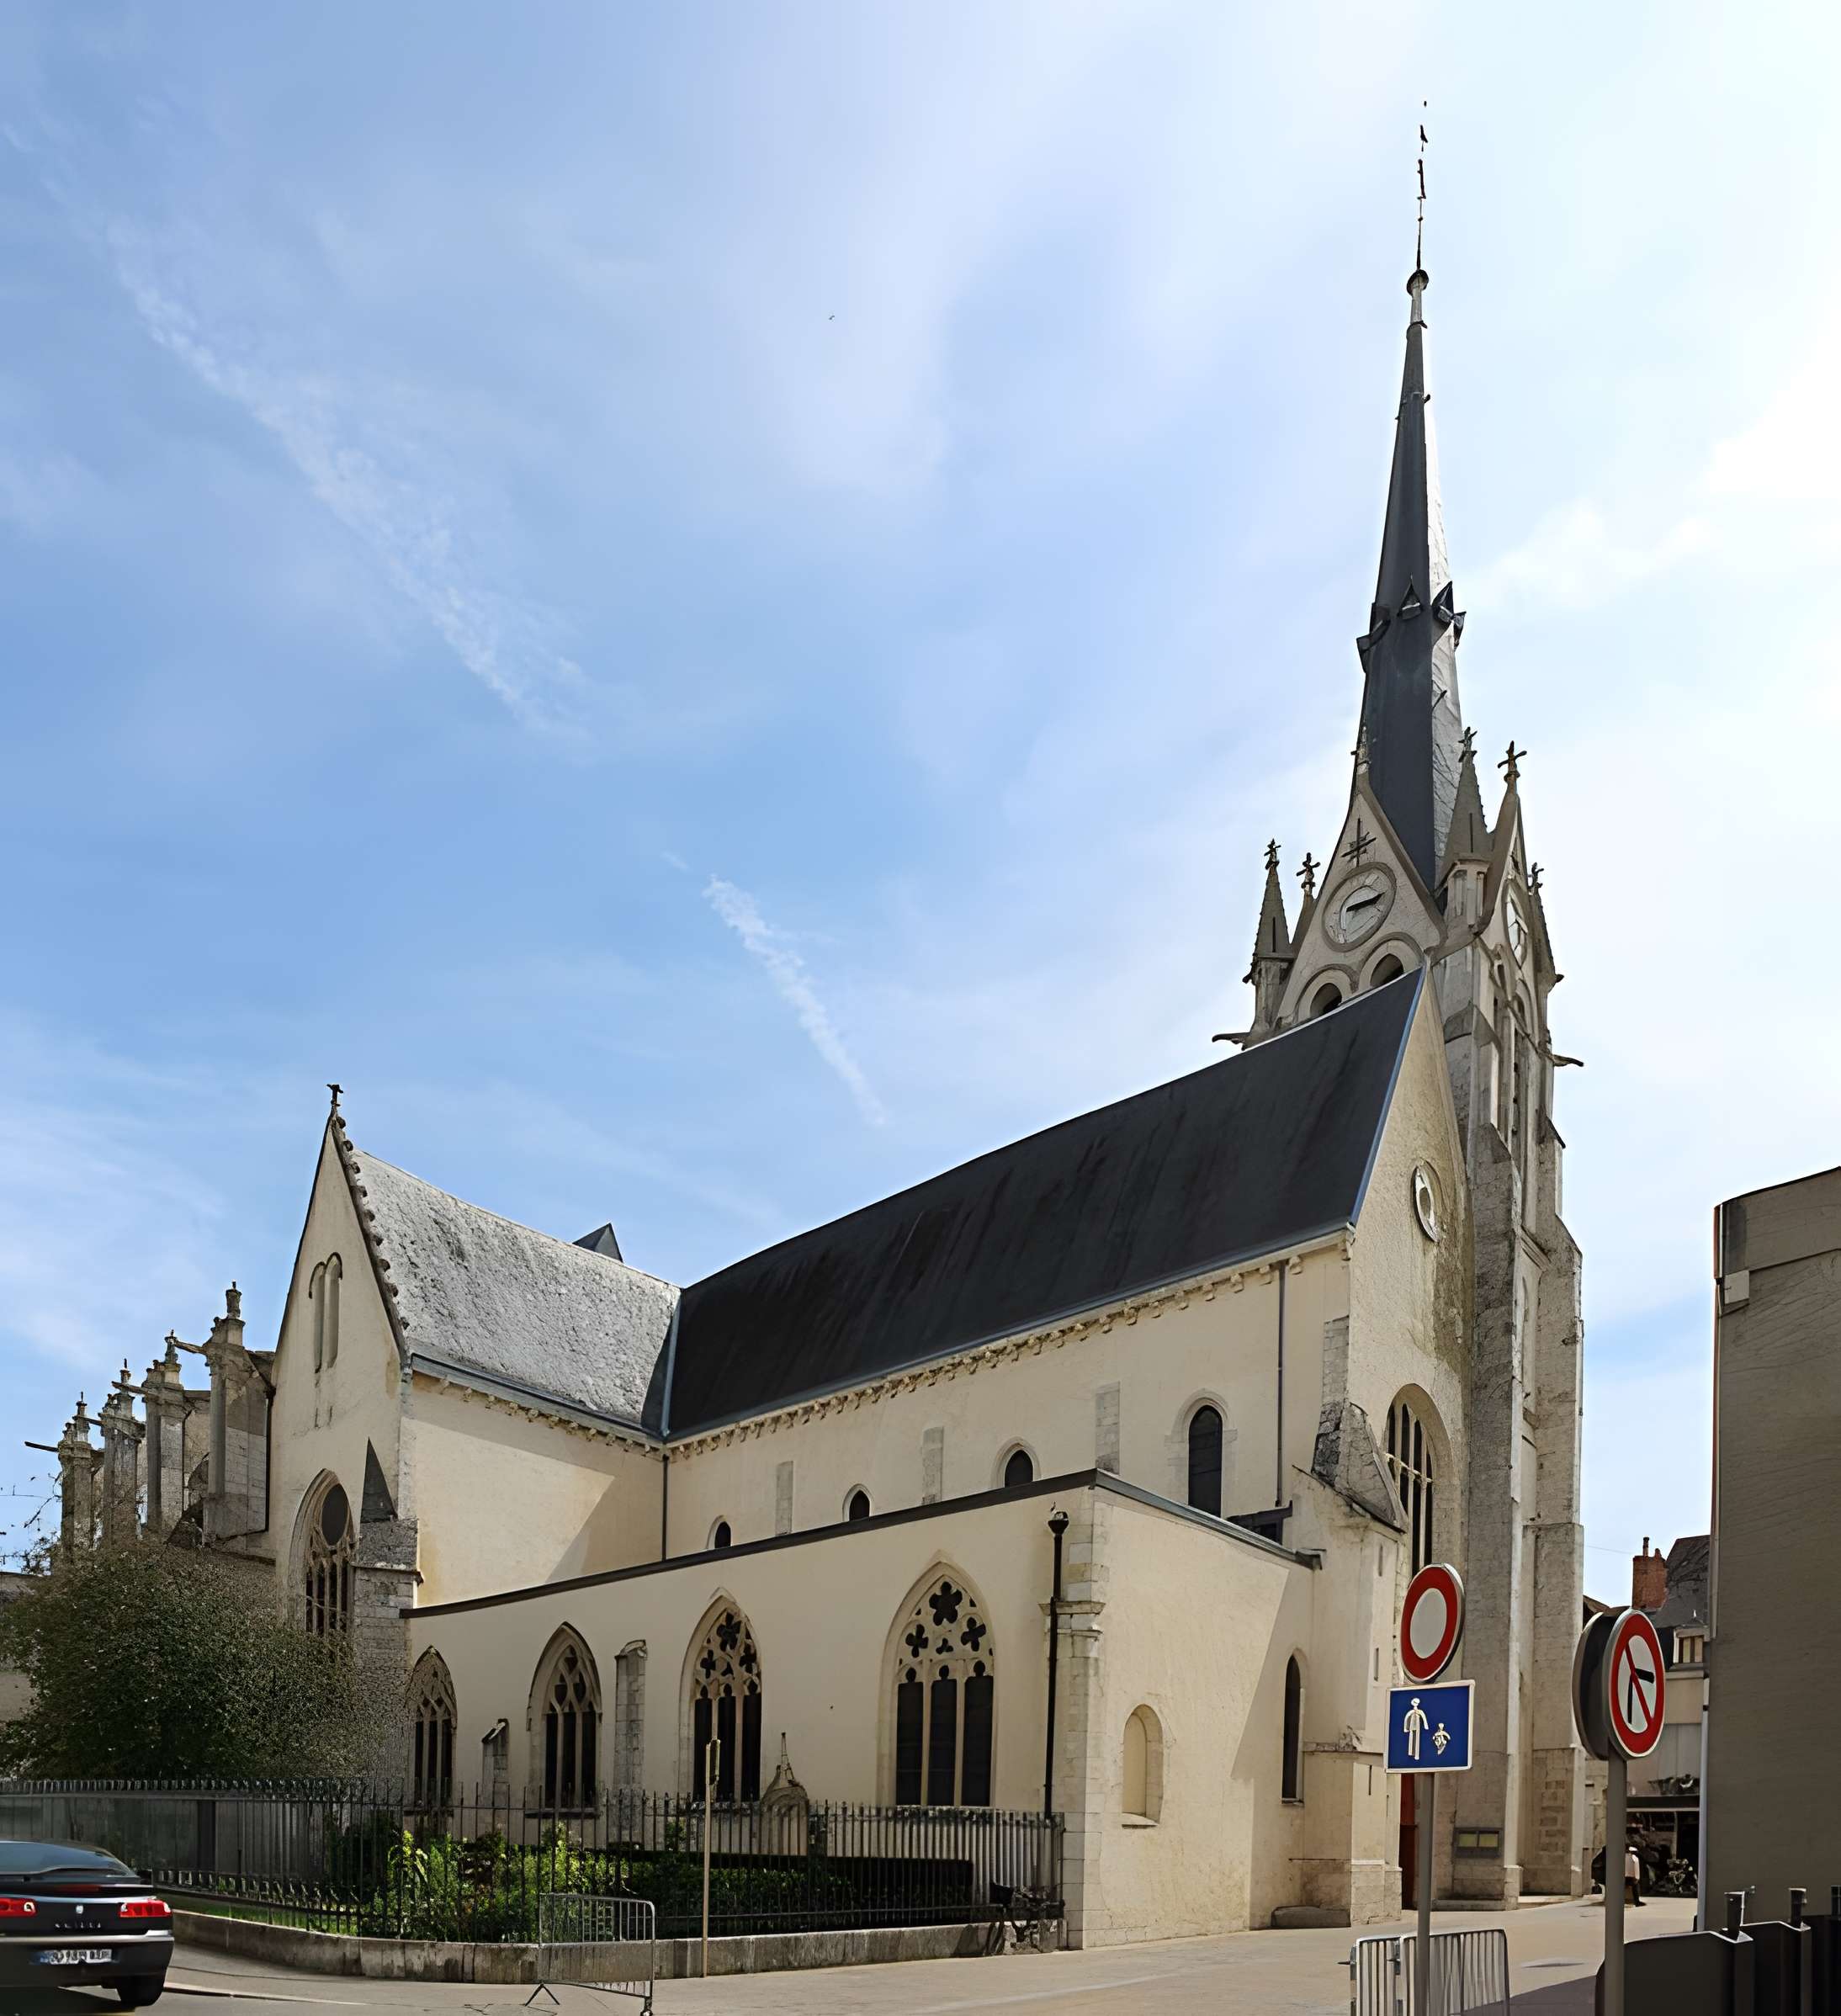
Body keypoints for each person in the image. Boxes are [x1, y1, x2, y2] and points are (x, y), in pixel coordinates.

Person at [1624, 1843, 1645, 1907]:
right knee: (1635, 1886)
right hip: (1630, 1878)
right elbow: (1635, 1870)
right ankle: (1637, 1901)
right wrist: (1636, 1878)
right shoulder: (1634, 1858)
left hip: (1622, 1878)